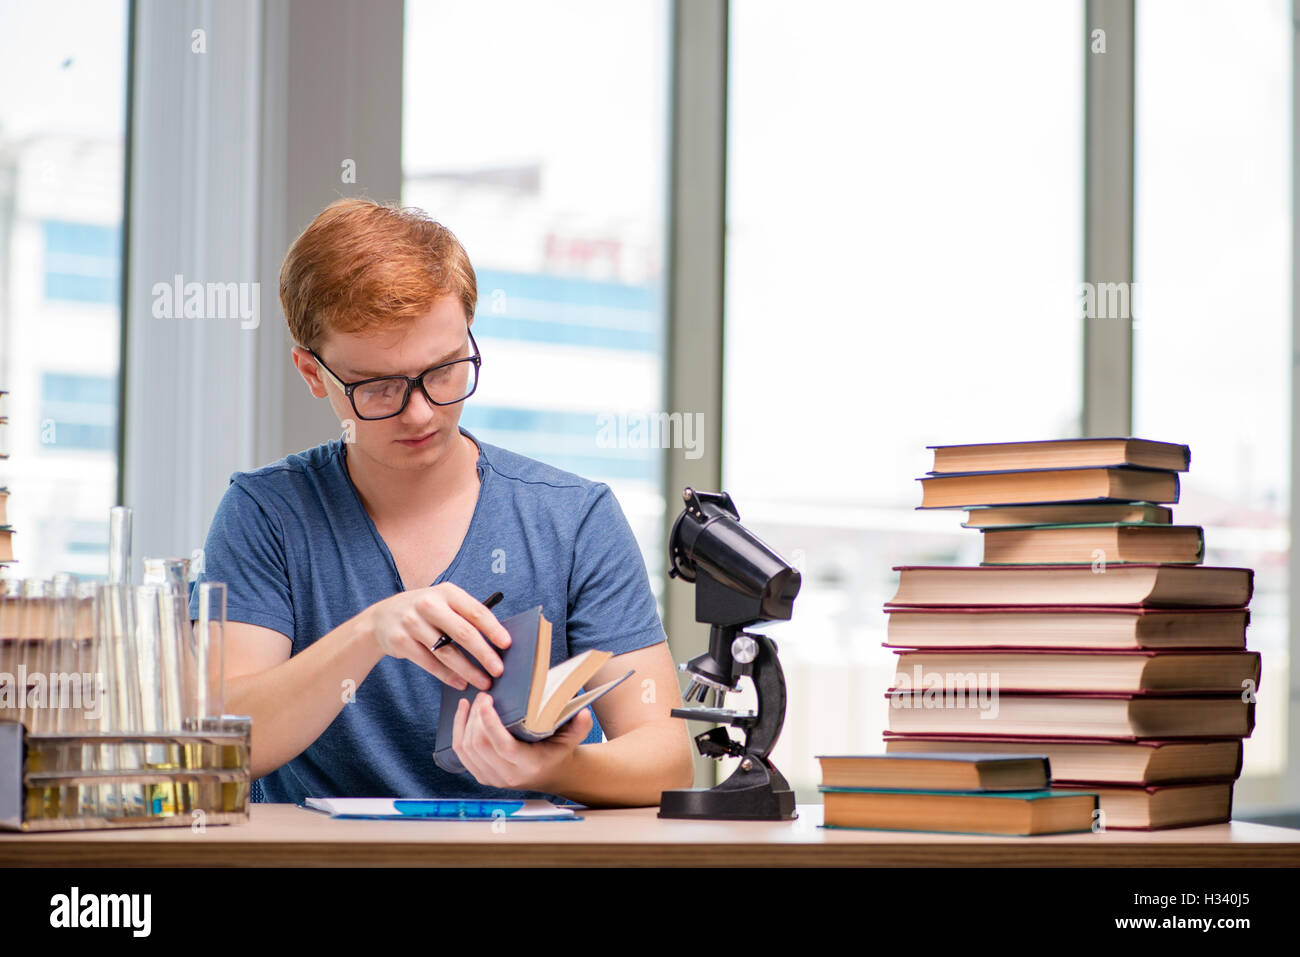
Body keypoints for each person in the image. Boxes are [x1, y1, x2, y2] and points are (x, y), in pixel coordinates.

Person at [188, 197, 694, 807]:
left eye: (446, 370)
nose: (422, 412)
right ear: (312, 372)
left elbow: (667, 760)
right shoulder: (267, 513)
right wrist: (372, 631)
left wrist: (548, 769)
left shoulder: (573, 518)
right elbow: (221, 745)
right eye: (378, 387)